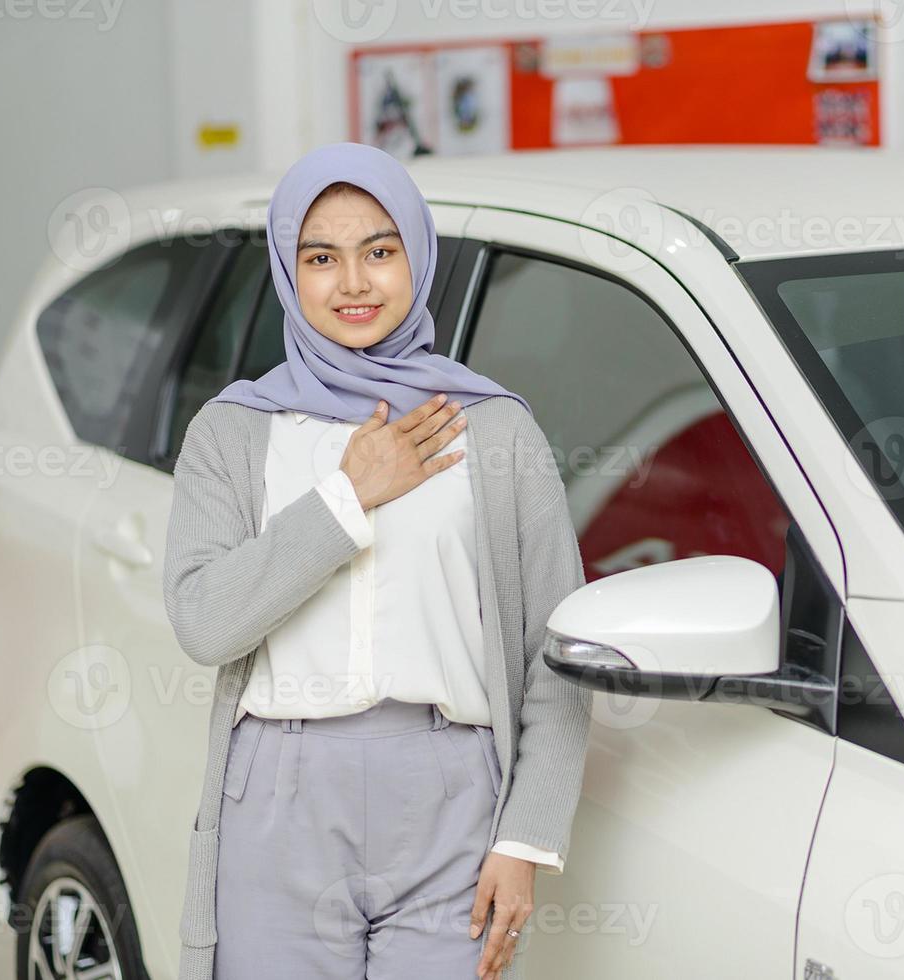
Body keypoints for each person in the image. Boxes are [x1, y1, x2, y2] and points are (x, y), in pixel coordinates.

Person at [162, 141, 590, 980]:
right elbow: (205, 621)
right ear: (289, 271)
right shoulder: (234, 430)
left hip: (450, 794)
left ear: (417, 258)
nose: (354, 283)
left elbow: (558, 653)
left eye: (380, 251)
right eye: (321, 257)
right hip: (278, 795)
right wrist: (346, 498)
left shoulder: (494, 429)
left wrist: (525, 837)